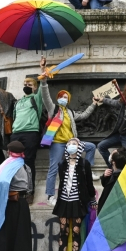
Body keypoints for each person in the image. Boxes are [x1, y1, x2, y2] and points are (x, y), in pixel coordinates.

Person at [39, 61, 100, 206]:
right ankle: (49, 196)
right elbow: (45, 95)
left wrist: (93, 104)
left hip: (71, 143)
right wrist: (44, 81)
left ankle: (89, 170)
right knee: (54, 168)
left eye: (66, 97)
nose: (63, 99)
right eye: (61, 96)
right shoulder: (53, 109)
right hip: (58, 144)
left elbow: (84, 115)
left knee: (91, 147)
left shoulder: (71, 112)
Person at [51, 139, 97, 251]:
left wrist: (92, 200)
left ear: (79, 147)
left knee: (76, 233)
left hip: (78, 203)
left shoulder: (84, 164)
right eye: (70, 143)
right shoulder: (62, 164)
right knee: (63, 233)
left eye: (75, 143)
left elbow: (89, 183)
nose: (72, 145)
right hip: (64, 202)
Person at [10, 76, 44, 200]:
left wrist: (43, 76)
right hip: (16, 134)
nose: (26, 86)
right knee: (13, 163)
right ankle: (14, 190)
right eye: (25, 84)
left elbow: (43, 89)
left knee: (29, 163)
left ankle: (30, 191)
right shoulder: (18, 102)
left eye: (30, 85)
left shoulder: (36, 98)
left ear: (35, 87)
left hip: (31, 133)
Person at [98, 148, 126, 213]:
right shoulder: (112, 172)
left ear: (113, 162)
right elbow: (105, 184)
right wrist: (104, 177)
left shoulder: (118, 178)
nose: (110, 155)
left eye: (112, 154)